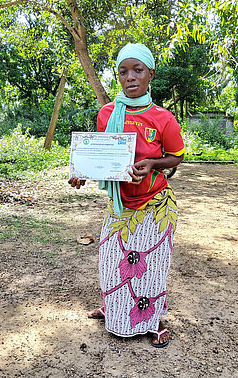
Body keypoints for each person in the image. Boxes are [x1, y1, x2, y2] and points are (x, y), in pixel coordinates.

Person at [68, 43, 184, 347]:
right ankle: (114, 309)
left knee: (153, 267)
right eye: (123, 71)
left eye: (137, 70)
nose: (130, 77)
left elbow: (176, 156)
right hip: (121, 205)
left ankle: (153, 321)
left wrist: (153, 164)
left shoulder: (163, 118)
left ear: (150, 75)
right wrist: (83, 172)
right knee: (111, 261)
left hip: (155, 205)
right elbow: (103, 158)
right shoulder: (107, 115)